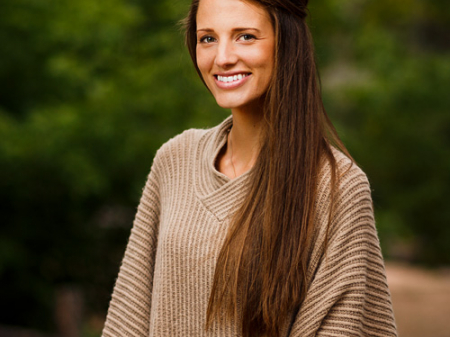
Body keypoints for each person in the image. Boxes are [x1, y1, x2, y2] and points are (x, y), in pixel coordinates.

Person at [102, 0, 398, 336]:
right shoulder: (175, 160)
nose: (223, 57)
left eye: (245, 36)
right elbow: (128, 317)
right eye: (207, 39)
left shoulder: (337, 185)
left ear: (287, 44)